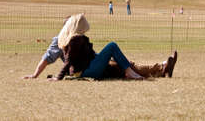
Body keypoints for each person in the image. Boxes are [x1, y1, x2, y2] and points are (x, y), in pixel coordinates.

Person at [24, 14, 177, 80]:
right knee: (115, 51)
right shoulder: (65, 40)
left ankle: (162, 68)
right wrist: (37, 75)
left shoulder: (79, 38)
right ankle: (159, 68)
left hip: (92, 63)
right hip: (88, 69)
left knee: (124, 64)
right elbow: (61, 60)